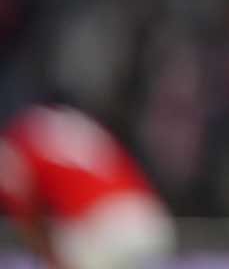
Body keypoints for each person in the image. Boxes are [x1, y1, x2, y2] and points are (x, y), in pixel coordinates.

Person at [0, 104, 175, 269]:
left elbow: (30, 220)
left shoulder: (11, 150)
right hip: (149, 218)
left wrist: (51, 257)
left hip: (103, 227)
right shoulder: (52, 123)